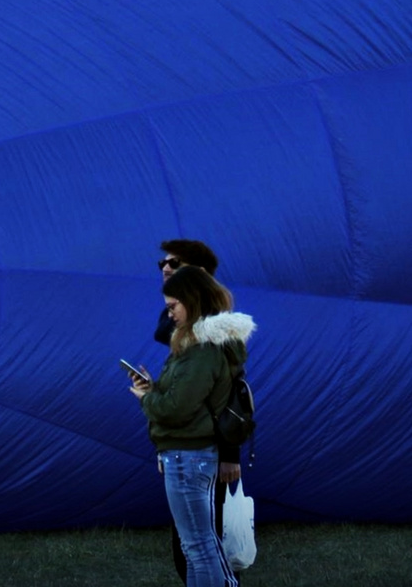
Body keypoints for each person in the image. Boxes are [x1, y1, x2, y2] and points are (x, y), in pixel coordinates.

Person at [130, 265, 254, 587]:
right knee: (194, 546)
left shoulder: (201, 350)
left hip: (189, 457)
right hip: (188, 456)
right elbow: (186, 398)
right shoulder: (196, 344)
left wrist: (146, 399)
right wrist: (152, 387)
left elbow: (175, 409)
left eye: (173, 306)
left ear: (192, 300)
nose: (169, 314)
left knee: (200, 547)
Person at [155, 240, 241, 582]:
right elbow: (164, 332)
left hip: (203, 447)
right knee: (194, 543)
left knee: (202, 543)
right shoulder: (188, 324)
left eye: (175, 264)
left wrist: (230, 453)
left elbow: (231, 391)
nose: (165, 268)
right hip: (186, 445)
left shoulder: (212, 329)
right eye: (162, 263)